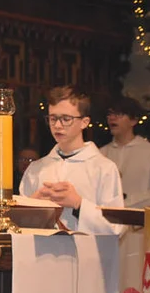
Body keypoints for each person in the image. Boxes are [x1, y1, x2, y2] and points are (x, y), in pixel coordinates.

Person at [19, 86, 124, 234]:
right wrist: (32, 205)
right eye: (53, 118)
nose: (57, 125)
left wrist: (79, 204)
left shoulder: (104, 168)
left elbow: (116, 227)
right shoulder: (36, 169)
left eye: (66, 119)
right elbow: (18, 227)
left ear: (84, 122)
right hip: (42, 254)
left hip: (85, 255)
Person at [100, 96, 150, 207]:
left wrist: (126, 203)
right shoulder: (101, 154)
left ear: (133, 120)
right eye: (109, 114)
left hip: (141, 221)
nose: (112, 118)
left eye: (118, 114)